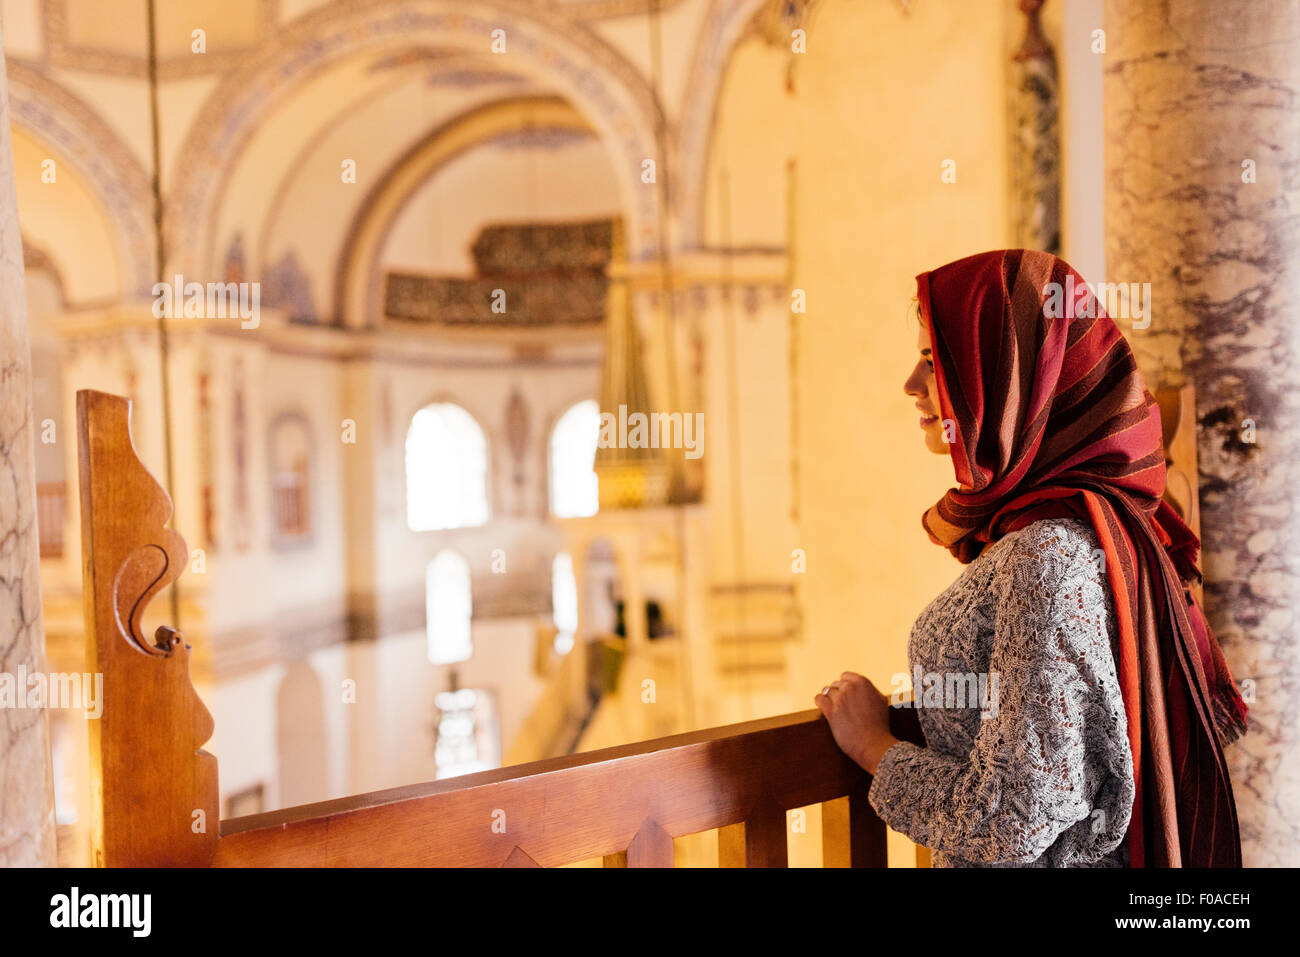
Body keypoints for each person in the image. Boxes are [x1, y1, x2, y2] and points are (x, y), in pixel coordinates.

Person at [814, 249, 1248, 867]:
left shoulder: (1048, 554)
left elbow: (1015, 816)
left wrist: (871, 745)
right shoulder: (1075, 532)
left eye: (934, 362)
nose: (911, 385)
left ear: (1006, 378)